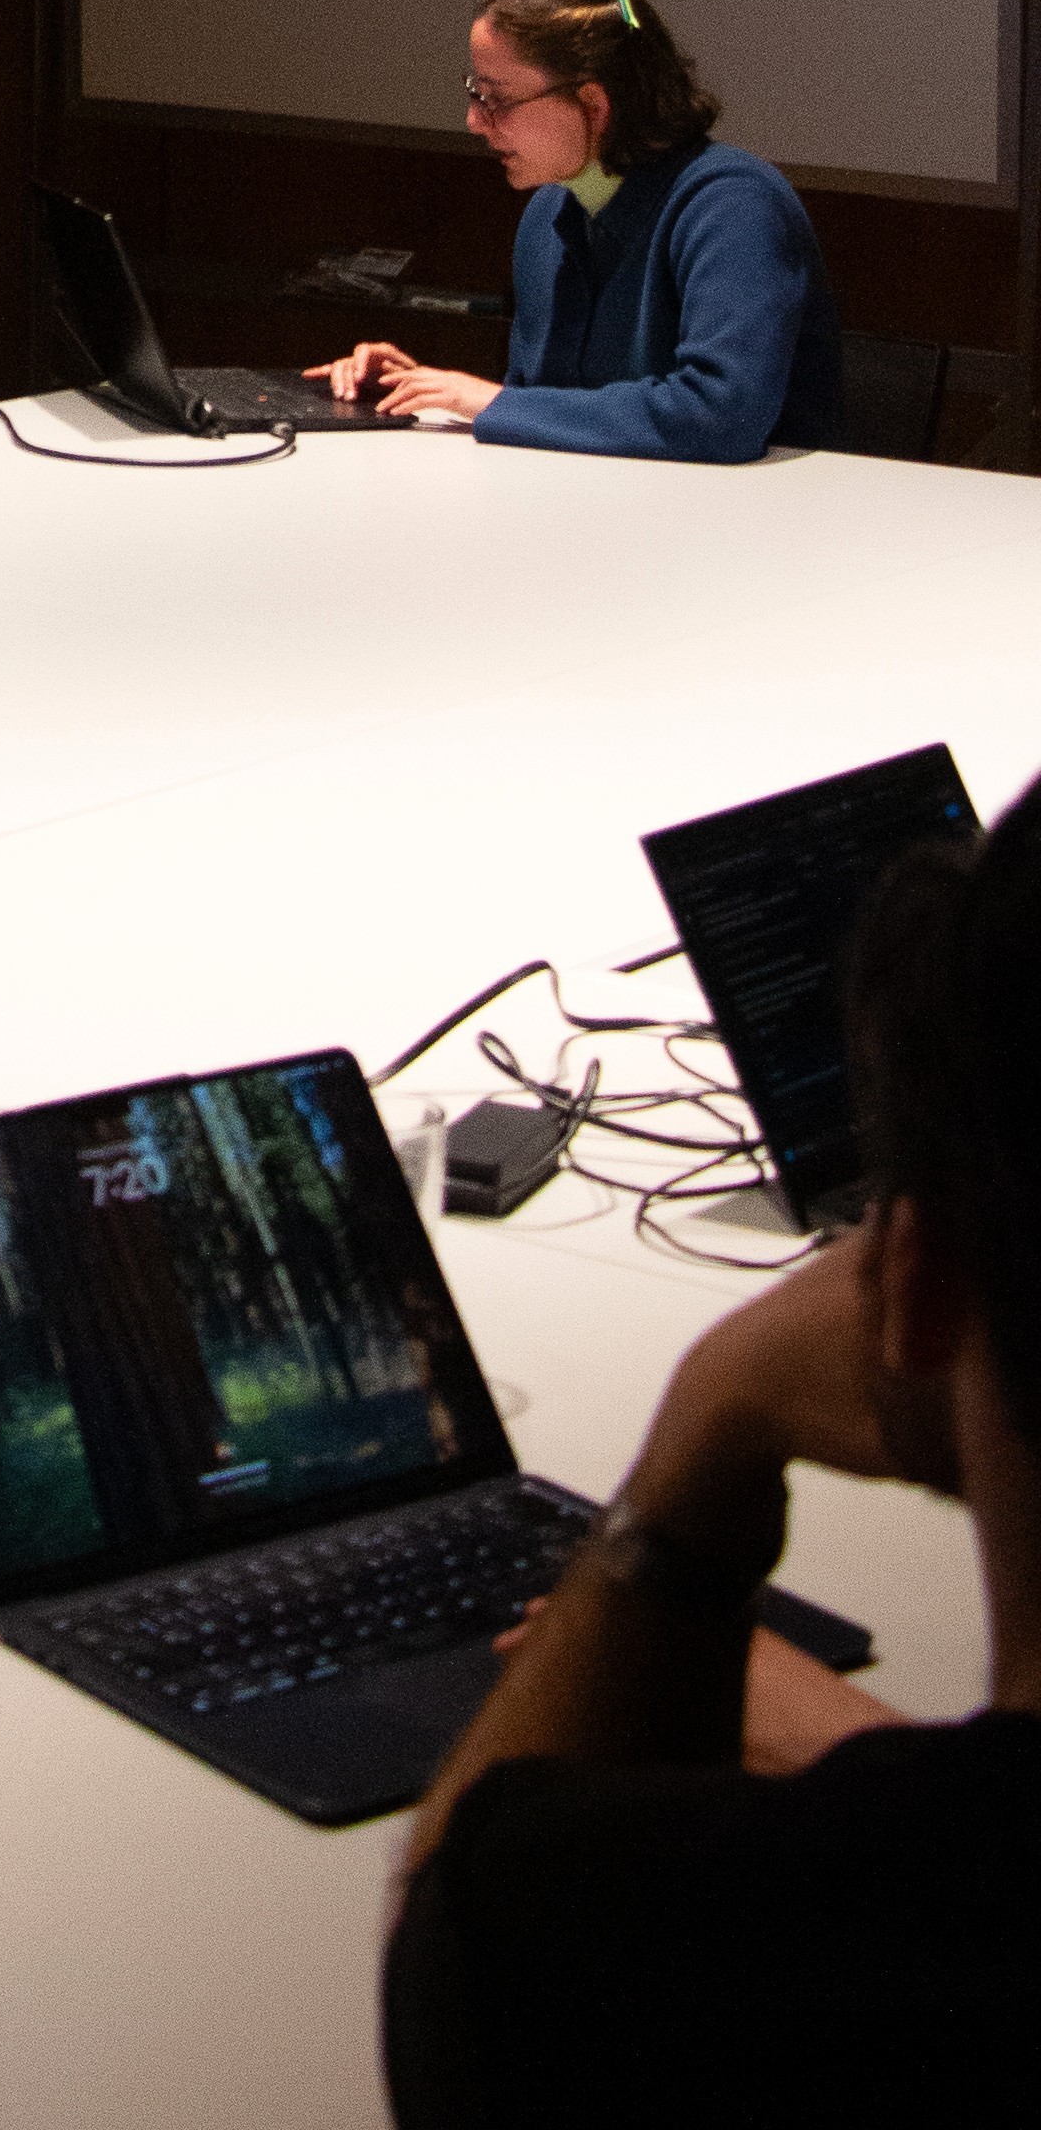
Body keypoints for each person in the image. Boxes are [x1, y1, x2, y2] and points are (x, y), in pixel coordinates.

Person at [381, 774, 1041, 2127]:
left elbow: (461, 1974)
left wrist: (703, 1446)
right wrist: (888, 1757)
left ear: (915, 1291)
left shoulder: (657, 1957)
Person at [314, 0, 842, 461]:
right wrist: (421, 389)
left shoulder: (734, 205)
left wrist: (488, 402)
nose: (474, 121)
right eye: (475, 91)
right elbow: (550, 407)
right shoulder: (549, 212)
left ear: (593, 104)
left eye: (496, 98)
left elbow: (720, 415)